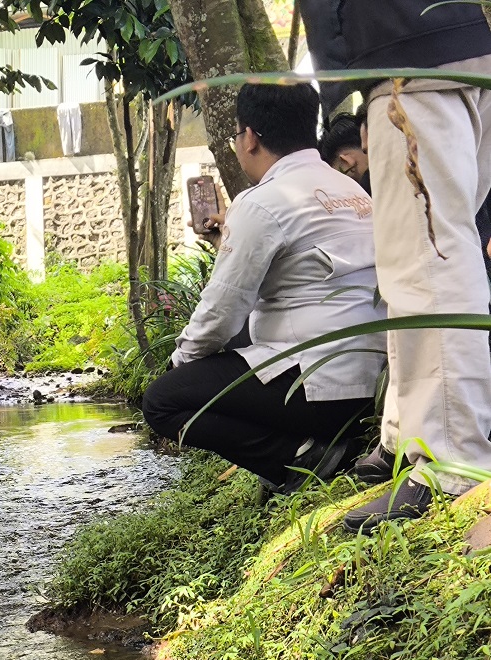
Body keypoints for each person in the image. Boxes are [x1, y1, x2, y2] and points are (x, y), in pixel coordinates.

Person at [299, 0, 491, 528]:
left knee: (430, 259)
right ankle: (405, 436)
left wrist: (346, 89)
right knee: (434, 249)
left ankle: (452, 464)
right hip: (458, 39)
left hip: (408, 51)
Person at [140, 82, 386, 494]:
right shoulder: (354, 192)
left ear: (250, 137)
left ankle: (298, 458)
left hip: (320, 389)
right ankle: (330, 444)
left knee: (163, 400)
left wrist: (179, 362)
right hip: (376, 386)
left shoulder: (261, 202)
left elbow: (220, 313)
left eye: (238, 135)